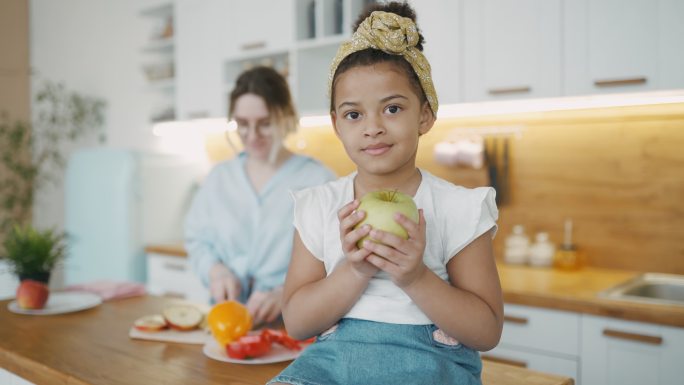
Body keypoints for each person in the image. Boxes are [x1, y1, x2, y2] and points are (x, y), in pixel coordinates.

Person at [269, 3, 503, 384]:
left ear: (425, 115)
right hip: (332, 366)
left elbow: (487, 331)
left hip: (430, 366)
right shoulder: (319, 206)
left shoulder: (458, 208)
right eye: (353, 114)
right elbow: (296, 323)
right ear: (336, 124)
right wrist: (357, 269)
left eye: (392, 109)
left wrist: (415, 278)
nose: (373, 128)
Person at [184, 66, 335, 325]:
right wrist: (215, 270)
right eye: (243, 124)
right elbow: (197, 239)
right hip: (226, 323)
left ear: (286, 116)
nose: (252, 136)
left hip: (292, 325)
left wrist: (286, 293)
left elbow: (337, 264)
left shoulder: (318, 181)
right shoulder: (219, 177)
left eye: (265, 124)